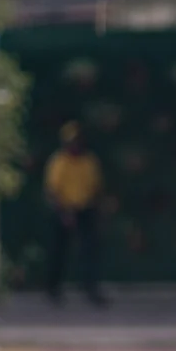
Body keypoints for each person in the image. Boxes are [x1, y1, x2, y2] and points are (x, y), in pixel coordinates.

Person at [43, 121, 105, 305]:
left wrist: (97, 210)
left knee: (89, 250)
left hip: (85, 209)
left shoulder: (89, 161)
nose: (75, 145)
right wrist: (64, 212)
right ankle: (53, 289)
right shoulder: (59, 161)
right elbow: (52, 190)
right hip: (64, 209)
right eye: (72, 142)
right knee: (59, 251)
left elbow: (96, 187)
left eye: (78, 141)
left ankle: (90, 288)